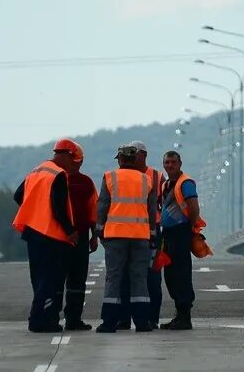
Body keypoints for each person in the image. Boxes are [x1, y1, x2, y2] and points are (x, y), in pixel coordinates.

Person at [13, 144, 79, 333]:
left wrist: (35, 209)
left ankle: (39, 316)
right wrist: (70, 231)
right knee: (50, 280)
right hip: (51, 235)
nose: (72, 165)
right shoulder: (58, 175)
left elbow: (18, 195)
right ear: (66, 155)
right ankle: (41, 321)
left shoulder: (37, 170)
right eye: (72, 160)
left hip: (33, 232)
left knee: (38, 278)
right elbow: (59, 207)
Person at [95, 145, 158, 333]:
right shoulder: (146, 180)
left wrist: (99, 230)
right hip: (140, 236)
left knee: (113, 278)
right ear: (134, 159)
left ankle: (109, 322)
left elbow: (102, 206)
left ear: (121, 159)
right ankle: (142, 322)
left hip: (115, 236)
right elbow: (152, 209)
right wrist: (152, 233)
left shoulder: (110, 177)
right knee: (139, 278)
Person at [117, 140, 164, 329]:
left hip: (151, 232)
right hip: (125, 231)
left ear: (144, 155)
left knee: (152, 276)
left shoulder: (156, 176)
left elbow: (164, 203)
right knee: (124, 276)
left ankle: (151, 318)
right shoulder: (120, 175)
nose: (131, 156)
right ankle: (124, 318)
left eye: (134, 153)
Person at [53, 139, 98, 331]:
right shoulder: (56, 179)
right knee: (59, 280)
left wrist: (94, 235)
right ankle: (56, 317)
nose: (77, 165)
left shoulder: (86, 182)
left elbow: (93, 210)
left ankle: (73, 319)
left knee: (77, 280)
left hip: (78, 237)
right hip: (59, 237)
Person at [159, 150, 204, 330]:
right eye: (167, 162)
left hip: (181, 232)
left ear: (180, 164)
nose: (170, 165)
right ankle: (179, 315)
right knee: (170, 275)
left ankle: (185, 317)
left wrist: (190, 228)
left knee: (181, 274)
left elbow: (194, 208)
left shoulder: (186, 183)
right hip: (168, 234)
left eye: (173, 162)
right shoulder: (166, 185)